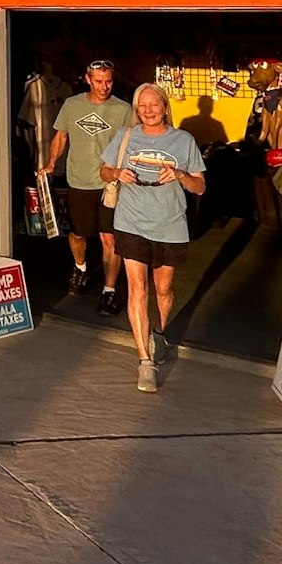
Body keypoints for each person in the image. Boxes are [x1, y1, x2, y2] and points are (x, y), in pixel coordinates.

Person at [100, 82, 206, 394]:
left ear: (164, 106)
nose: (148, 110)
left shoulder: (183, 140)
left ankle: (158, 333)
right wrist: (117, 173)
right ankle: (145, 361)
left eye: (153, 105)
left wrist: (181, 175)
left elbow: (200, 187)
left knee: (163, 288)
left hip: (170, 223)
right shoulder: (125, 136)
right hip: (131, 220)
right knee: (137, 288)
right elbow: (104, 171)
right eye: (142, 106)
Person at [41, 60, 132, 316]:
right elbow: (61, 136)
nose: (104, 86)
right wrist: (50, 164)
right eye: (99, 81)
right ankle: (80, 268)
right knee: (79, 234)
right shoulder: (72, 105)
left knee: (109, 238)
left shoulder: (123, 109)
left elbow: (133, 141)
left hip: (109, 183)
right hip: (78, 181)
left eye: (109, 81)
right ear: (88, 79)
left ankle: (109, 291)